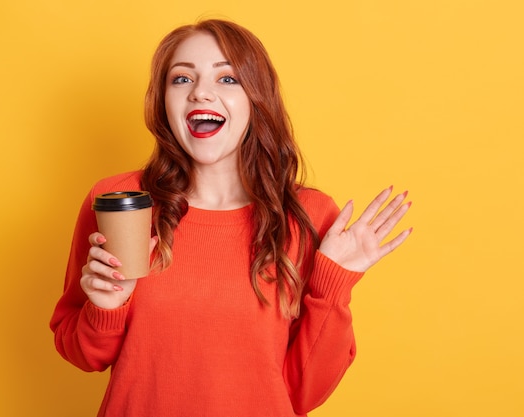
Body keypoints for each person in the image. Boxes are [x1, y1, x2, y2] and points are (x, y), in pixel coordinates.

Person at [50, 18, 412, 417]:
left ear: (256, 98)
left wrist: (334, 283)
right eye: (181, 79)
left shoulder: (308, 216)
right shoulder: (120, 202)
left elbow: (304, 392)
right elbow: (83, 354)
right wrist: (105, 307)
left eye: (228, 80)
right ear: (162, 100)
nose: (200, 93)